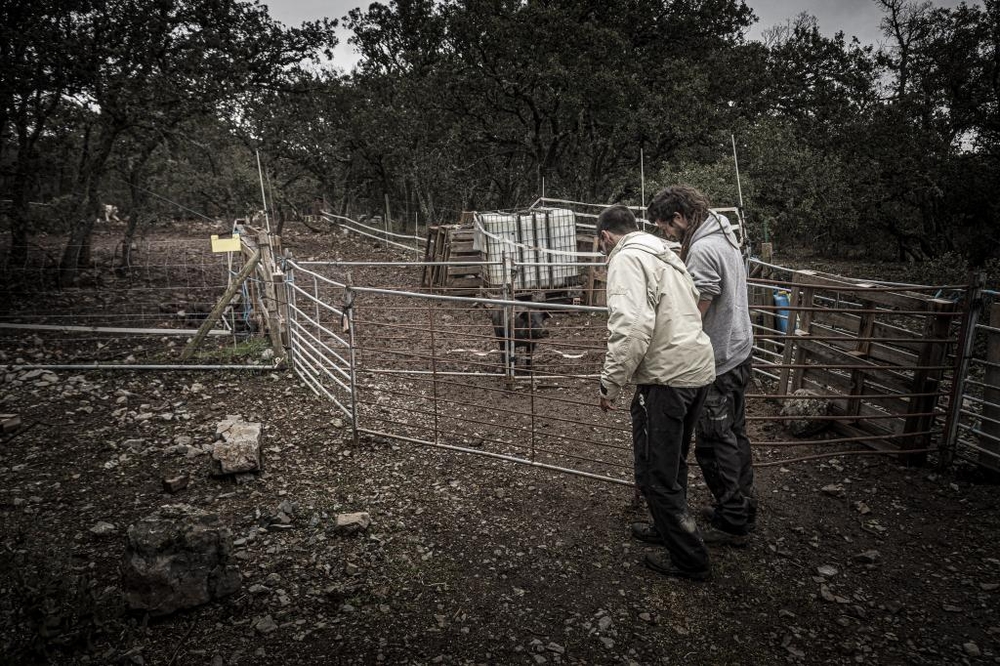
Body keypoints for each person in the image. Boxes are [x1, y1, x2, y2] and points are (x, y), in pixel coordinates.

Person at [596, 204, 716, 581]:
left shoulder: (627, 259)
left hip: (668, 377)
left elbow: (630, 326)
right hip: (696, 367)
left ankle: (690, 560)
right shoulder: (666, 254)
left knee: (656, 468)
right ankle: (670, 529)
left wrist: (610, 382)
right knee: (673, 461)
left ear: (605, 237)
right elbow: (692, 305)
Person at [647, 185, 757, 545]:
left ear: (679, 218)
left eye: (665, 226)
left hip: (719, 357)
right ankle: (742, 504)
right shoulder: (724, 233)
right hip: (740, 347)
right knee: (735, 433)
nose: (665, 233)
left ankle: (733, 520)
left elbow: (697, 306)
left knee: (712, 441)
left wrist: (670, 342)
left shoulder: (703, 250)